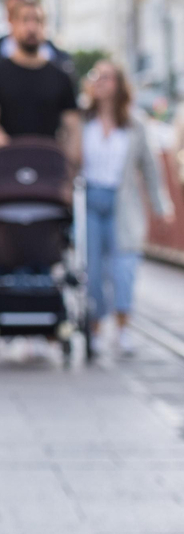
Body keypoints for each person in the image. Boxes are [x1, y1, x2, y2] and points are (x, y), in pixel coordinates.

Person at [82, 61, 173, 357]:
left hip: (123, 203)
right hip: (90, 200)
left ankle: (122, 328)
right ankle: (95, 327)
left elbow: (150, 166)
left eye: (107, 77)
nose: (101, 82)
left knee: (124, 268)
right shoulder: (83, 121)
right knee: (93, 268)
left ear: (119, 84)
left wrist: (161, 205)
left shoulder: (134, 123)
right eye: (97, 77)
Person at [0, 0, 77, 176]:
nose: (31, 27)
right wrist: (19, 156)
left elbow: (72, 129)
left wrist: (67, 164)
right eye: (25, 20)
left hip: (50, 176)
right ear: (12, 24)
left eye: (38, 21)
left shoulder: (62, 75)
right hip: (5, 174)